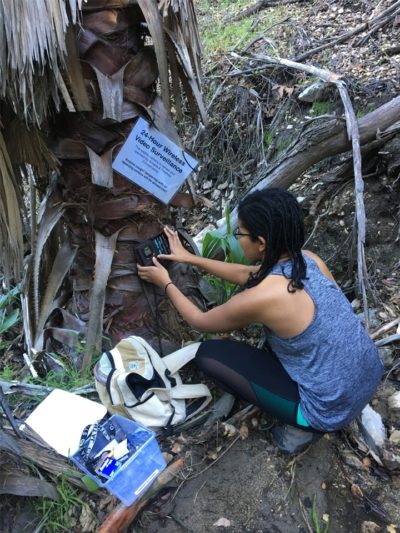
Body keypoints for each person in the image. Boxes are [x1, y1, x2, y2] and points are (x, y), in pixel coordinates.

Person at [137, 188, 383, 454]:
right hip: (369, 375)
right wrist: (190, 258)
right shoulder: (309, 260)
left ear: (261, 243)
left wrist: (166, 283)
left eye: (240, 234)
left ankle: (303, 425)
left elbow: (200, 320)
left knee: (208, 355)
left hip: (328, 412)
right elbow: (248, 273)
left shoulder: (265, 296)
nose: (239, 239)